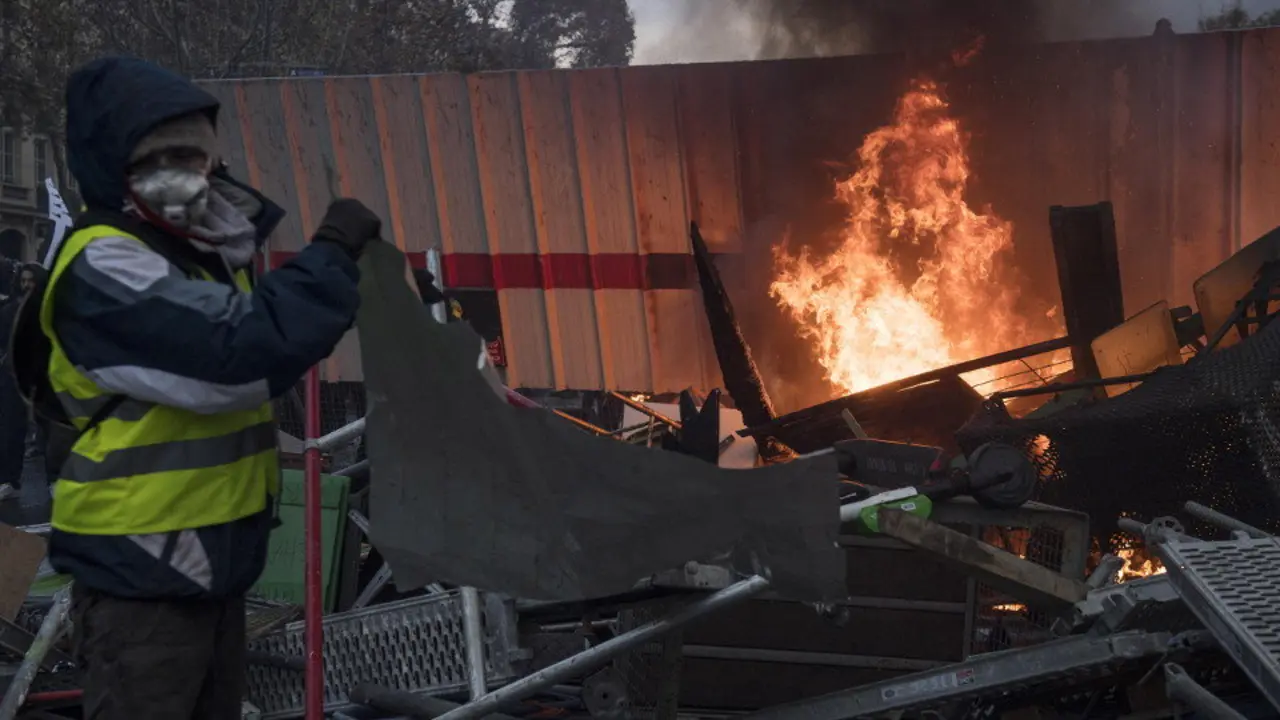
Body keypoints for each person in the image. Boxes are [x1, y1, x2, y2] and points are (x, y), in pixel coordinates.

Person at [42, 56, 382, 718]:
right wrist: (331, 256)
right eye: (165, 157)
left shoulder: (192, 261)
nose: (189, 172)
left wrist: (374, 293)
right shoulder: (105, 260)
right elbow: (237, 354)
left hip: (205, 567)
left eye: (196, 156)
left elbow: (261, 329)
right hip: (142, 574)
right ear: (116, 165)